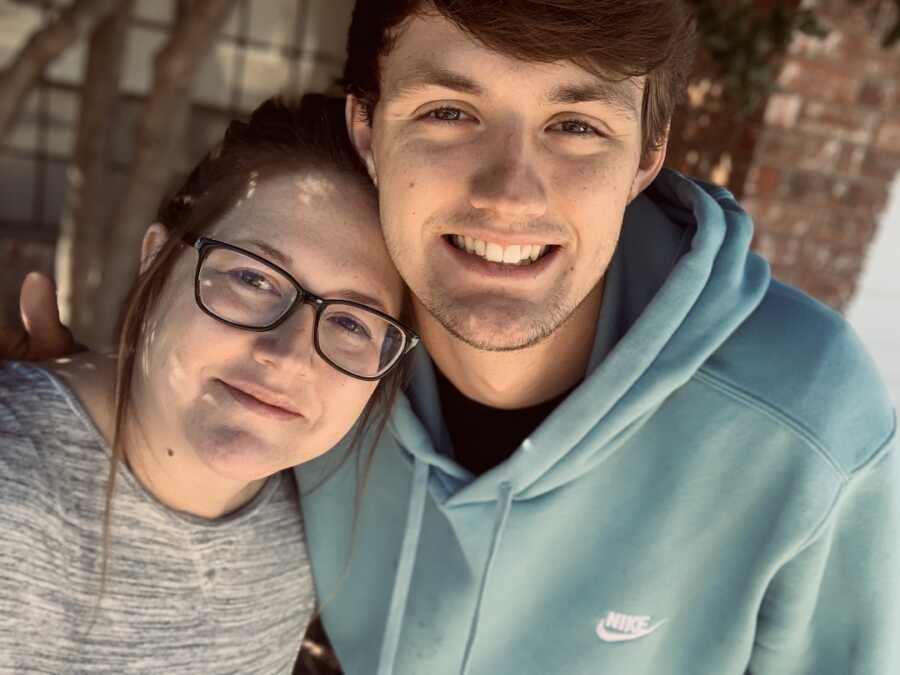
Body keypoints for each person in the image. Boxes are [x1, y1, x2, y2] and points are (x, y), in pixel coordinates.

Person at [5, 1, 898, 674]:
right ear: (368, 127)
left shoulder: (810, 432)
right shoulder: (334, 371)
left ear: (646, 156)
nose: (510, 193)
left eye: (577, 125)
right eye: (449, 112)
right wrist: (76, 404)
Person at [0, 94, 418, 674]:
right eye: (253, 278)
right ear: (156, 258)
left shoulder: (324, 518)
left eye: (351, 321)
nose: (288, 356)